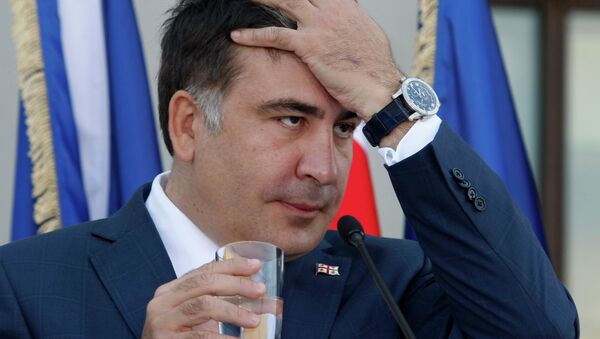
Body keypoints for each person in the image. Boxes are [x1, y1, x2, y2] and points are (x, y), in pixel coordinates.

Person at [0, 0, 578, 338]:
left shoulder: (399, 284)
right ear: (188, 125)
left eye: (346, 128)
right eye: (290, 120)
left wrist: (388, 98)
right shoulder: (26, 288)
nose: (325, 169)